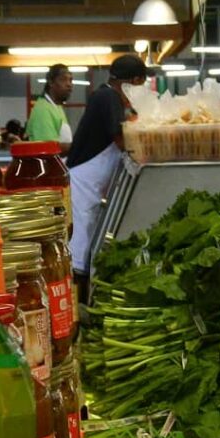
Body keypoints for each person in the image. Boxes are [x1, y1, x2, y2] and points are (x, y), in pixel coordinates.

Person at [67, 55, 148, 296]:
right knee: (79, 247)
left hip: (90, 184)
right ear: (133, 81)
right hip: (82, 183)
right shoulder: (108, 97)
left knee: (85, 239)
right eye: (141, 85)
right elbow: (120, 138)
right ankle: (76, 301)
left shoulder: (107, 96)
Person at [25, 64, 74, 150]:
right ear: (51, 82)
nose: (69, 84)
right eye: (63, 80)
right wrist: (79, 147)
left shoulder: (57, 107)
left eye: (70, 80)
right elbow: (49, 148)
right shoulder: (43, 110)